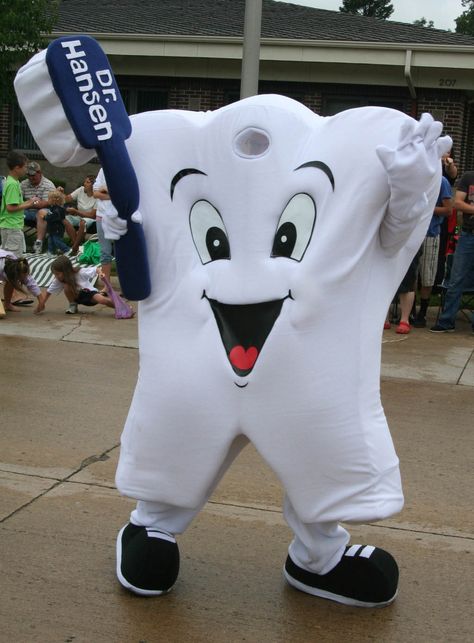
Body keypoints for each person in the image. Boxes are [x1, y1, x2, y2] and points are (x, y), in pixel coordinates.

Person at [430, 168, 474, 333]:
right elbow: (458, 203)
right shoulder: (469, 177)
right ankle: (447, 321)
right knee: (456, 279)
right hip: (469, 235)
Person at [413, 176, 453, 327]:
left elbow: (448, 209)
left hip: (430, 233)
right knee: (411, 276)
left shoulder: (441, 181)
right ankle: (410, 311)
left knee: (427, 275)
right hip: (411, 234)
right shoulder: (414, 176)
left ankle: (422, 312)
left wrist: (426, 208)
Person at [37, 254, 114, 315]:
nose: (56, 276)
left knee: (102, 300)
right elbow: (48, 292)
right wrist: (42, 304)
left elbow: (96, 269)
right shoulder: (59, 280)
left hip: (89, 294)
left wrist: (100, 273)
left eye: (57, 274)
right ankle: (73, 305)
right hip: (77, 296)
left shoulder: (80, 272)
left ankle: (118, 307)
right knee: (66, 286)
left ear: (66, 271)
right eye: (54, 274)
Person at [0, 151, 37, 256]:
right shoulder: (12, 184)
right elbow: (10, 208)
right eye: (25, 167)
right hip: (12, 227)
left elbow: (14, 204)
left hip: (11, 226)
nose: (26, 170)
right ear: (17, 168)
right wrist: (29, 204)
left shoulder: (13, 181)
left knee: (9, 257)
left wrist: (28, 202)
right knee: (13, 260)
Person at [20, 161, 56, 252]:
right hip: (28, 211)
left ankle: (38, 243)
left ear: (39, 173)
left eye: (33, 175)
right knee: (14, 211)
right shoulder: (24, 184)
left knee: (41, 213)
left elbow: (44, 204)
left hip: (45, 212)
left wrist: (28, 203)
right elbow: (17, 201)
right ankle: (16, 240)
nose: (30, 178)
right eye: (28, 175)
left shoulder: (48, 185)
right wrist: (32, 203)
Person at [63, 175, 97, 255]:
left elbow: (92, 215)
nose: (84, 184)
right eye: (85, 181)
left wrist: (76, 211)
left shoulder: (97, 196)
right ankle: (78, 247)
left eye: (87, 182)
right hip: (79, 217)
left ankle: (74, 248)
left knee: (83, 222)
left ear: (93, 185)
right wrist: (60, 193)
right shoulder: (81, 190)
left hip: (92, 220)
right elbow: (67, 199)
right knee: (65, 219)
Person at [93, 169, 115, 282]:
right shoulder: (103, 170)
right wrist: (113, 195)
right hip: (101, 215)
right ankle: (107, 285)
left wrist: (105, 190)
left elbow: (124, 193)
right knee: (105, 251)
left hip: (119, 217)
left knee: (122, 251)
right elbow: (95, 193)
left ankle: (126, 286)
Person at [41, 190, 70, 255]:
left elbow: (52, 217)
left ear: (54, 200)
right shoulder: (53, 208)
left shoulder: (57, 210)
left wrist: (44, 217)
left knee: (56, 240)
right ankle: (50, 251)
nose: (47, 200)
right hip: (52, 228)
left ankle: (66, 250)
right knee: (50, 240)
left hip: (57, 229)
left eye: (49, 198)